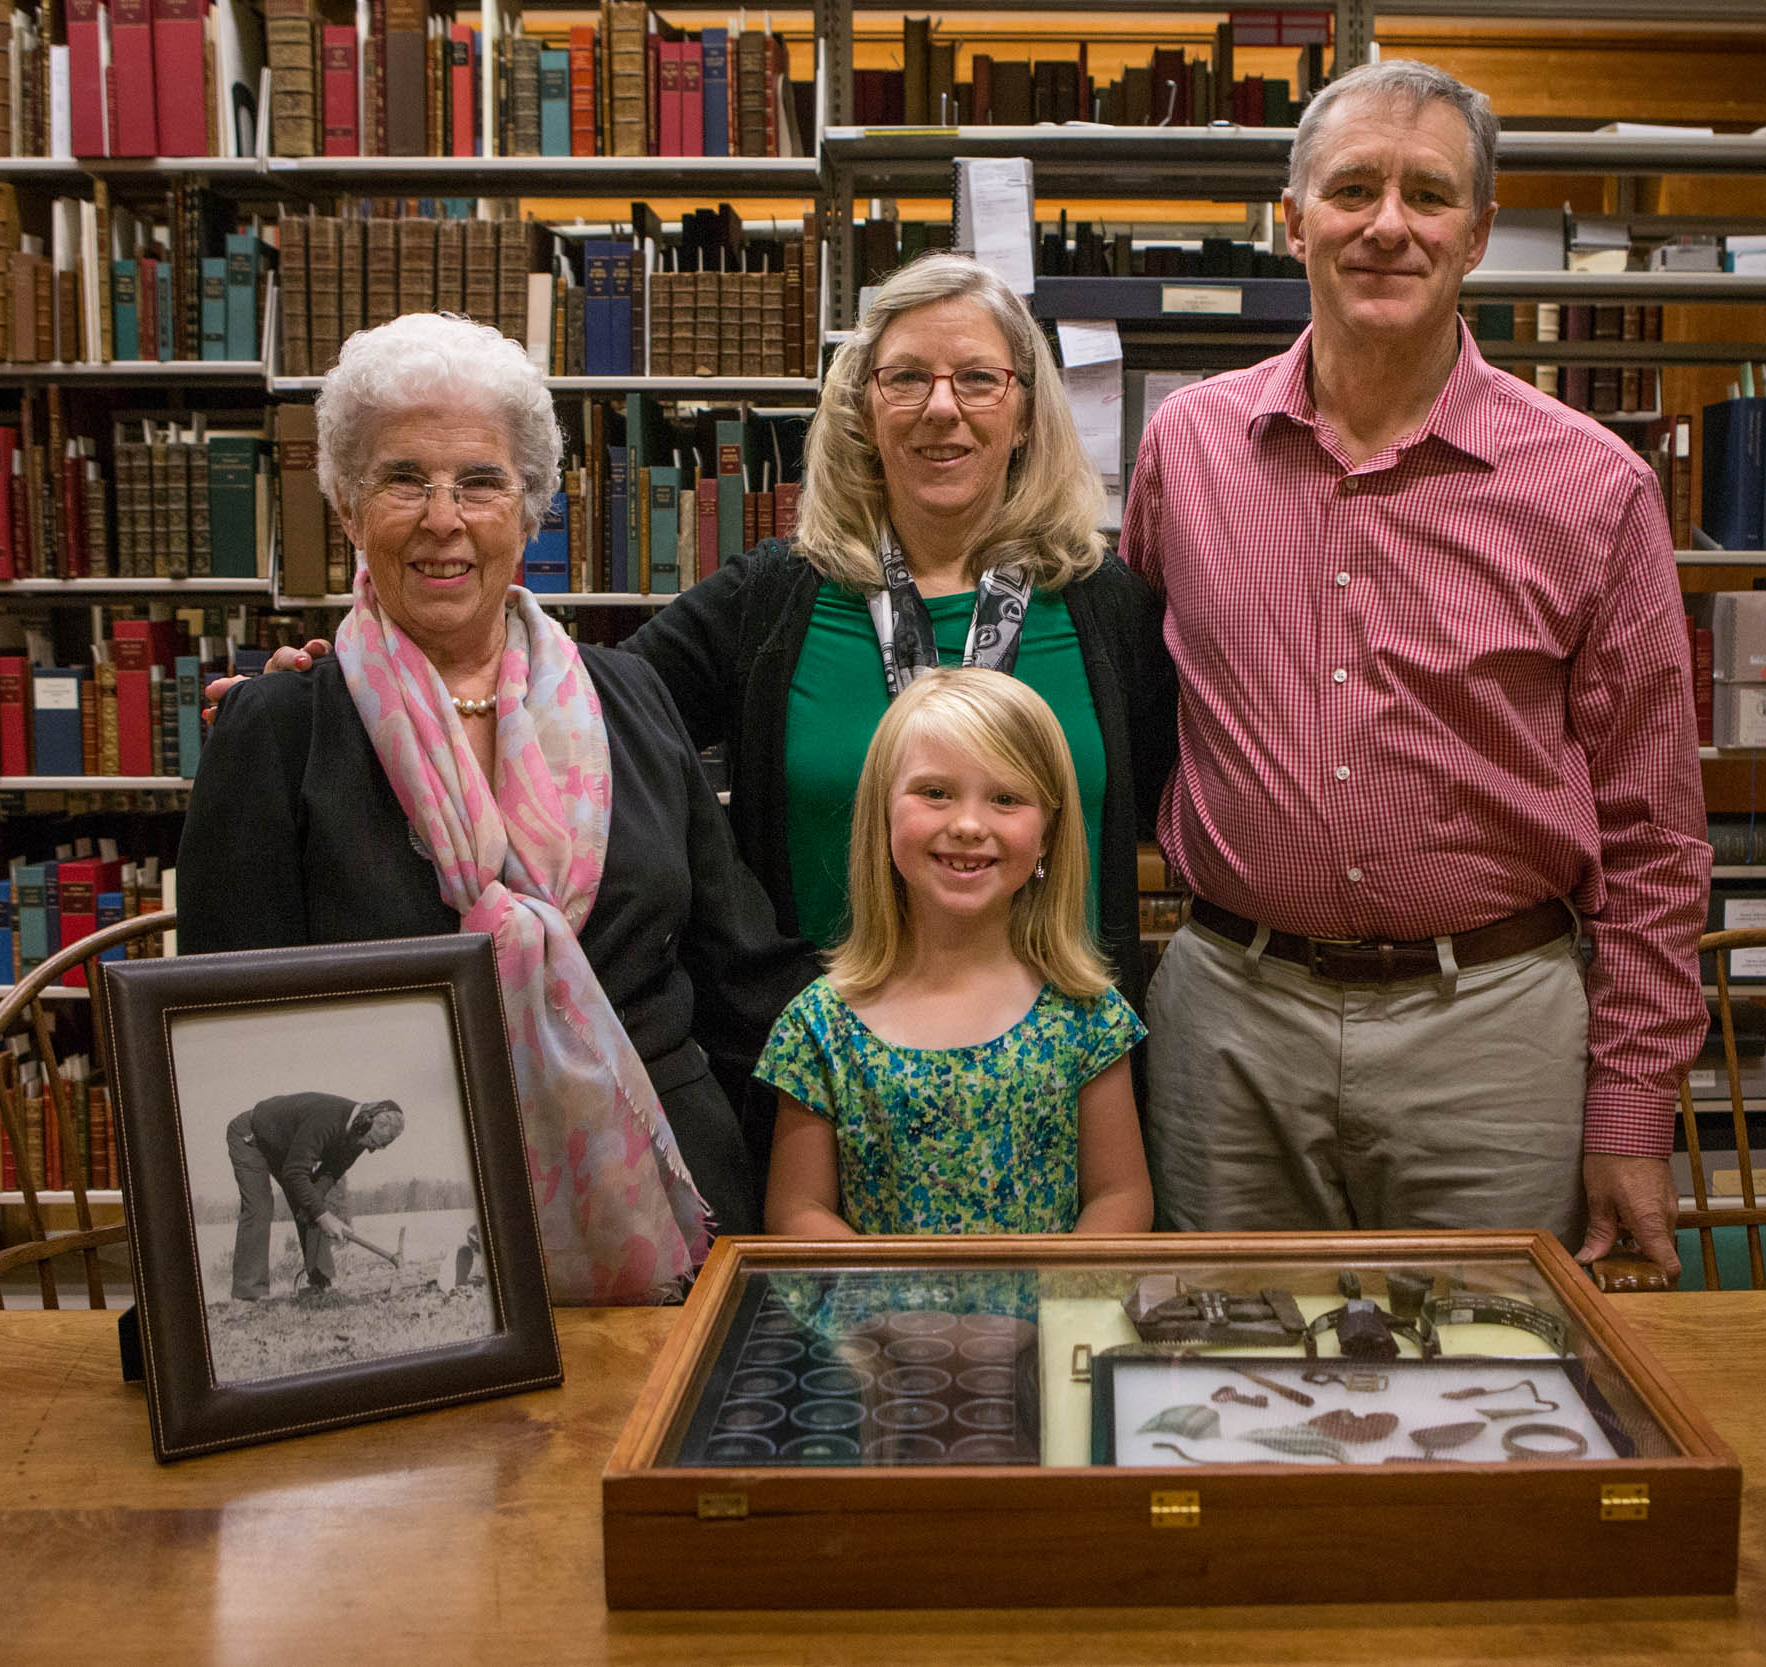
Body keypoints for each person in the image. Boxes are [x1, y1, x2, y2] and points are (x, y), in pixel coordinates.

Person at [215, 254, 1175, 1011]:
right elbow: (565, 706)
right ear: (861, 411)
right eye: (905, 378)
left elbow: (1177, 796)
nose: (940, 408)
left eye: (978, 379)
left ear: (1025, 412)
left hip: (1065, 1048)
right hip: (825, 1061)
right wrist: (367, 684)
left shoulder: (1107, 608)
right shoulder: (772, 601)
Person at [1120, 59, 1710, 1276]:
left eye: (1428, 195)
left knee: (1492, 1395)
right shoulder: (1188, 447)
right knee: (1219, 1393)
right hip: (1231, 1022)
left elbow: (1655, 833)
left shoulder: (1595, 487)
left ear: (1479, 232)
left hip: (1492, 1034)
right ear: (1291, 219)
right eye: (1352, 189)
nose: (1388, 224)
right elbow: (1131, 703)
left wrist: (1630, 1110)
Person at [180, 311, 818, 1303]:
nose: (445, 517)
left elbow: (742, 976)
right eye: (403, 478)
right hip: (406, 1224)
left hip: (673, 1205)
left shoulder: (632, 697)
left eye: (480, 481)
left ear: (530, 510)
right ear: (347, 505)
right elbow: (228, 1044)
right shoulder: (279, 730)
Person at [758, 667, 1154, 1236]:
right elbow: (799, 1213)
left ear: (1047, 833)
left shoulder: (1088, 1016)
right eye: (936, 793)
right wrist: (895, 1319)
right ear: (883, 813)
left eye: (1006, 798)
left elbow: (1121, 1198)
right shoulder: (819, 1026)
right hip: (878, 1325)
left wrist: (1046, 1309)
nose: (969, 824)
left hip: (1048, 1321)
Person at [226, 1093, 403, 1301]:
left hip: (285, 1145)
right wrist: (323, 1215)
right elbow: (294, 1173)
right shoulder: (325, 1119)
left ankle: (321, 1283)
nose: (370, 1149)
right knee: (260, 1208)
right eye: (371, 1141)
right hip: (251, 1136)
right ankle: (248, 1293)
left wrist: (315, 1210)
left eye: (377, 1147)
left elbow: (328, 1175)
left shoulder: (358, 1138)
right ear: (364, 1121)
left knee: (311, 1204)